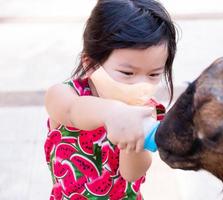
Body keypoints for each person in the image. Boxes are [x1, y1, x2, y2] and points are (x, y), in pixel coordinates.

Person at [44, 0, 177, 199]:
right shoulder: (65, 95)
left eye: (154, 75)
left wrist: (132, 141)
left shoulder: (146, 112)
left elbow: (131, 174)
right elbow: (72, 110)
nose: (140, 84)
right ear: (90, 64)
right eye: (127, 73)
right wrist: (113, 113)